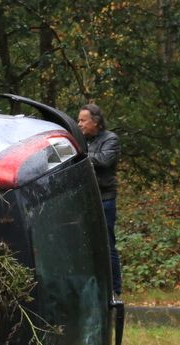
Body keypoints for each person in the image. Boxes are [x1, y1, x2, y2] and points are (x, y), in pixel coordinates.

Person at [77, 103, 122, 295]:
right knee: (86, 244)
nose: (79, 124)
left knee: (107, 244)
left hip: (104, 199)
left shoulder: (111, 139)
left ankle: (115, 290)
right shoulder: (81, 140)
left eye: (83, 120)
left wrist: (80, 155)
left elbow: (104, 160)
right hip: (85, 200)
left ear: (95, 121)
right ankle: (93, 289)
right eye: (78, 120)